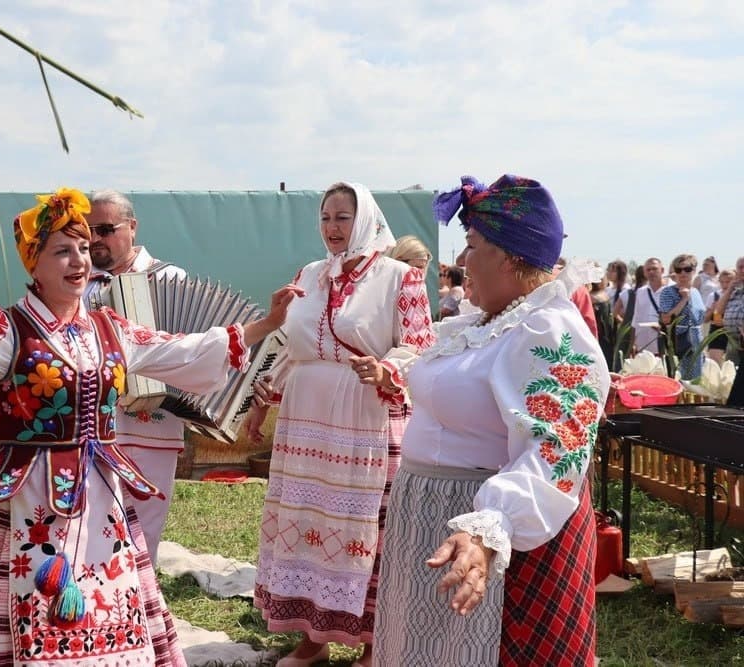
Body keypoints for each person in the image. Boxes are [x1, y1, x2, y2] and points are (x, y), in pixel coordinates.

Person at [0, 187, 302, 666]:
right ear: (35, 263)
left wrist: (263, 325)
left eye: (85, 250)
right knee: (18, 607)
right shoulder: (6, 328)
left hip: (100, 497)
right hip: (25, 493)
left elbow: (180, 350)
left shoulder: (110, 327)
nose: (79, 262)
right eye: (62, 251)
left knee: (107, 601)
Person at [374, 175, 609, 666]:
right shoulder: (478, 324)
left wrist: (488, 530)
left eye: (471, 245)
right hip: (434, 526)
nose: (461, 262)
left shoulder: (548, 329)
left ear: (509, 255)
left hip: (500, 539)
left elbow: (557, 450)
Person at [243, 182, 435, 667]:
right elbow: (295, 349)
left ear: (365, 219)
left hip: (367, 419)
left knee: (369, 530)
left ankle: (373, 643)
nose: (332, 227)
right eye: (326, 217)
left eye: (343, 217)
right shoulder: (308, 273)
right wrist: (264, 398)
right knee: (307, 522)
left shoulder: (399, 278)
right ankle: (312, 637)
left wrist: (387, 370)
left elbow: (420, 346)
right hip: (306, 424)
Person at [81, 188, 189, 565]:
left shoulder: (169, 277)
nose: (95, 239)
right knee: (92, 520)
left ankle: (140, 609)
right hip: (94, 425)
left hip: (153, 425)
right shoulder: (79, 283)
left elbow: (185, 349)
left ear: (132, 227)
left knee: (145, 524)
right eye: (88, 229)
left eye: (106, 229)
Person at [658, 254, 706, 380]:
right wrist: (684, 299)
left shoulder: (696, 292)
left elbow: (700, 318)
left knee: (696, 380)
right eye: (679, 270)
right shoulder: (667, 292)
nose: (683, 273)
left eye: (687, 269)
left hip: (696, 340)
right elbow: (666, 319)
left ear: (694, 270)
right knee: (680, 379)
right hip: (678, 340)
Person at [629, 257, 668, 354]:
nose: (651, 272)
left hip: (664, 345)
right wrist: (632, 343)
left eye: (654, 269)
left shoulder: (671, 290)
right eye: (648, 270)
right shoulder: (641, 292)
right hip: (643, 346)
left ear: (662, 270)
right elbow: (636, 319)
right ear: (644, 273)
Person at [713, 256, 744, 366]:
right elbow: (718, 312)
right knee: (731, 377)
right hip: (733, 343)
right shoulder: (735, 291)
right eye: (740, 267)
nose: (743, 270)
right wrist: (730, 288)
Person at [704, 269, 736, 363]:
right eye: (722, 282)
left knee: (732, 363)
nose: (725, 285)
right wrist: (713, 309)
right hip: (717, 330)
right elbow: (705, 319)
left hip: (733, 330)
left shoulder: (738, 295)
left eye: (728, 282)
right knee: (714, 363)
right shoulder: (713, 295)